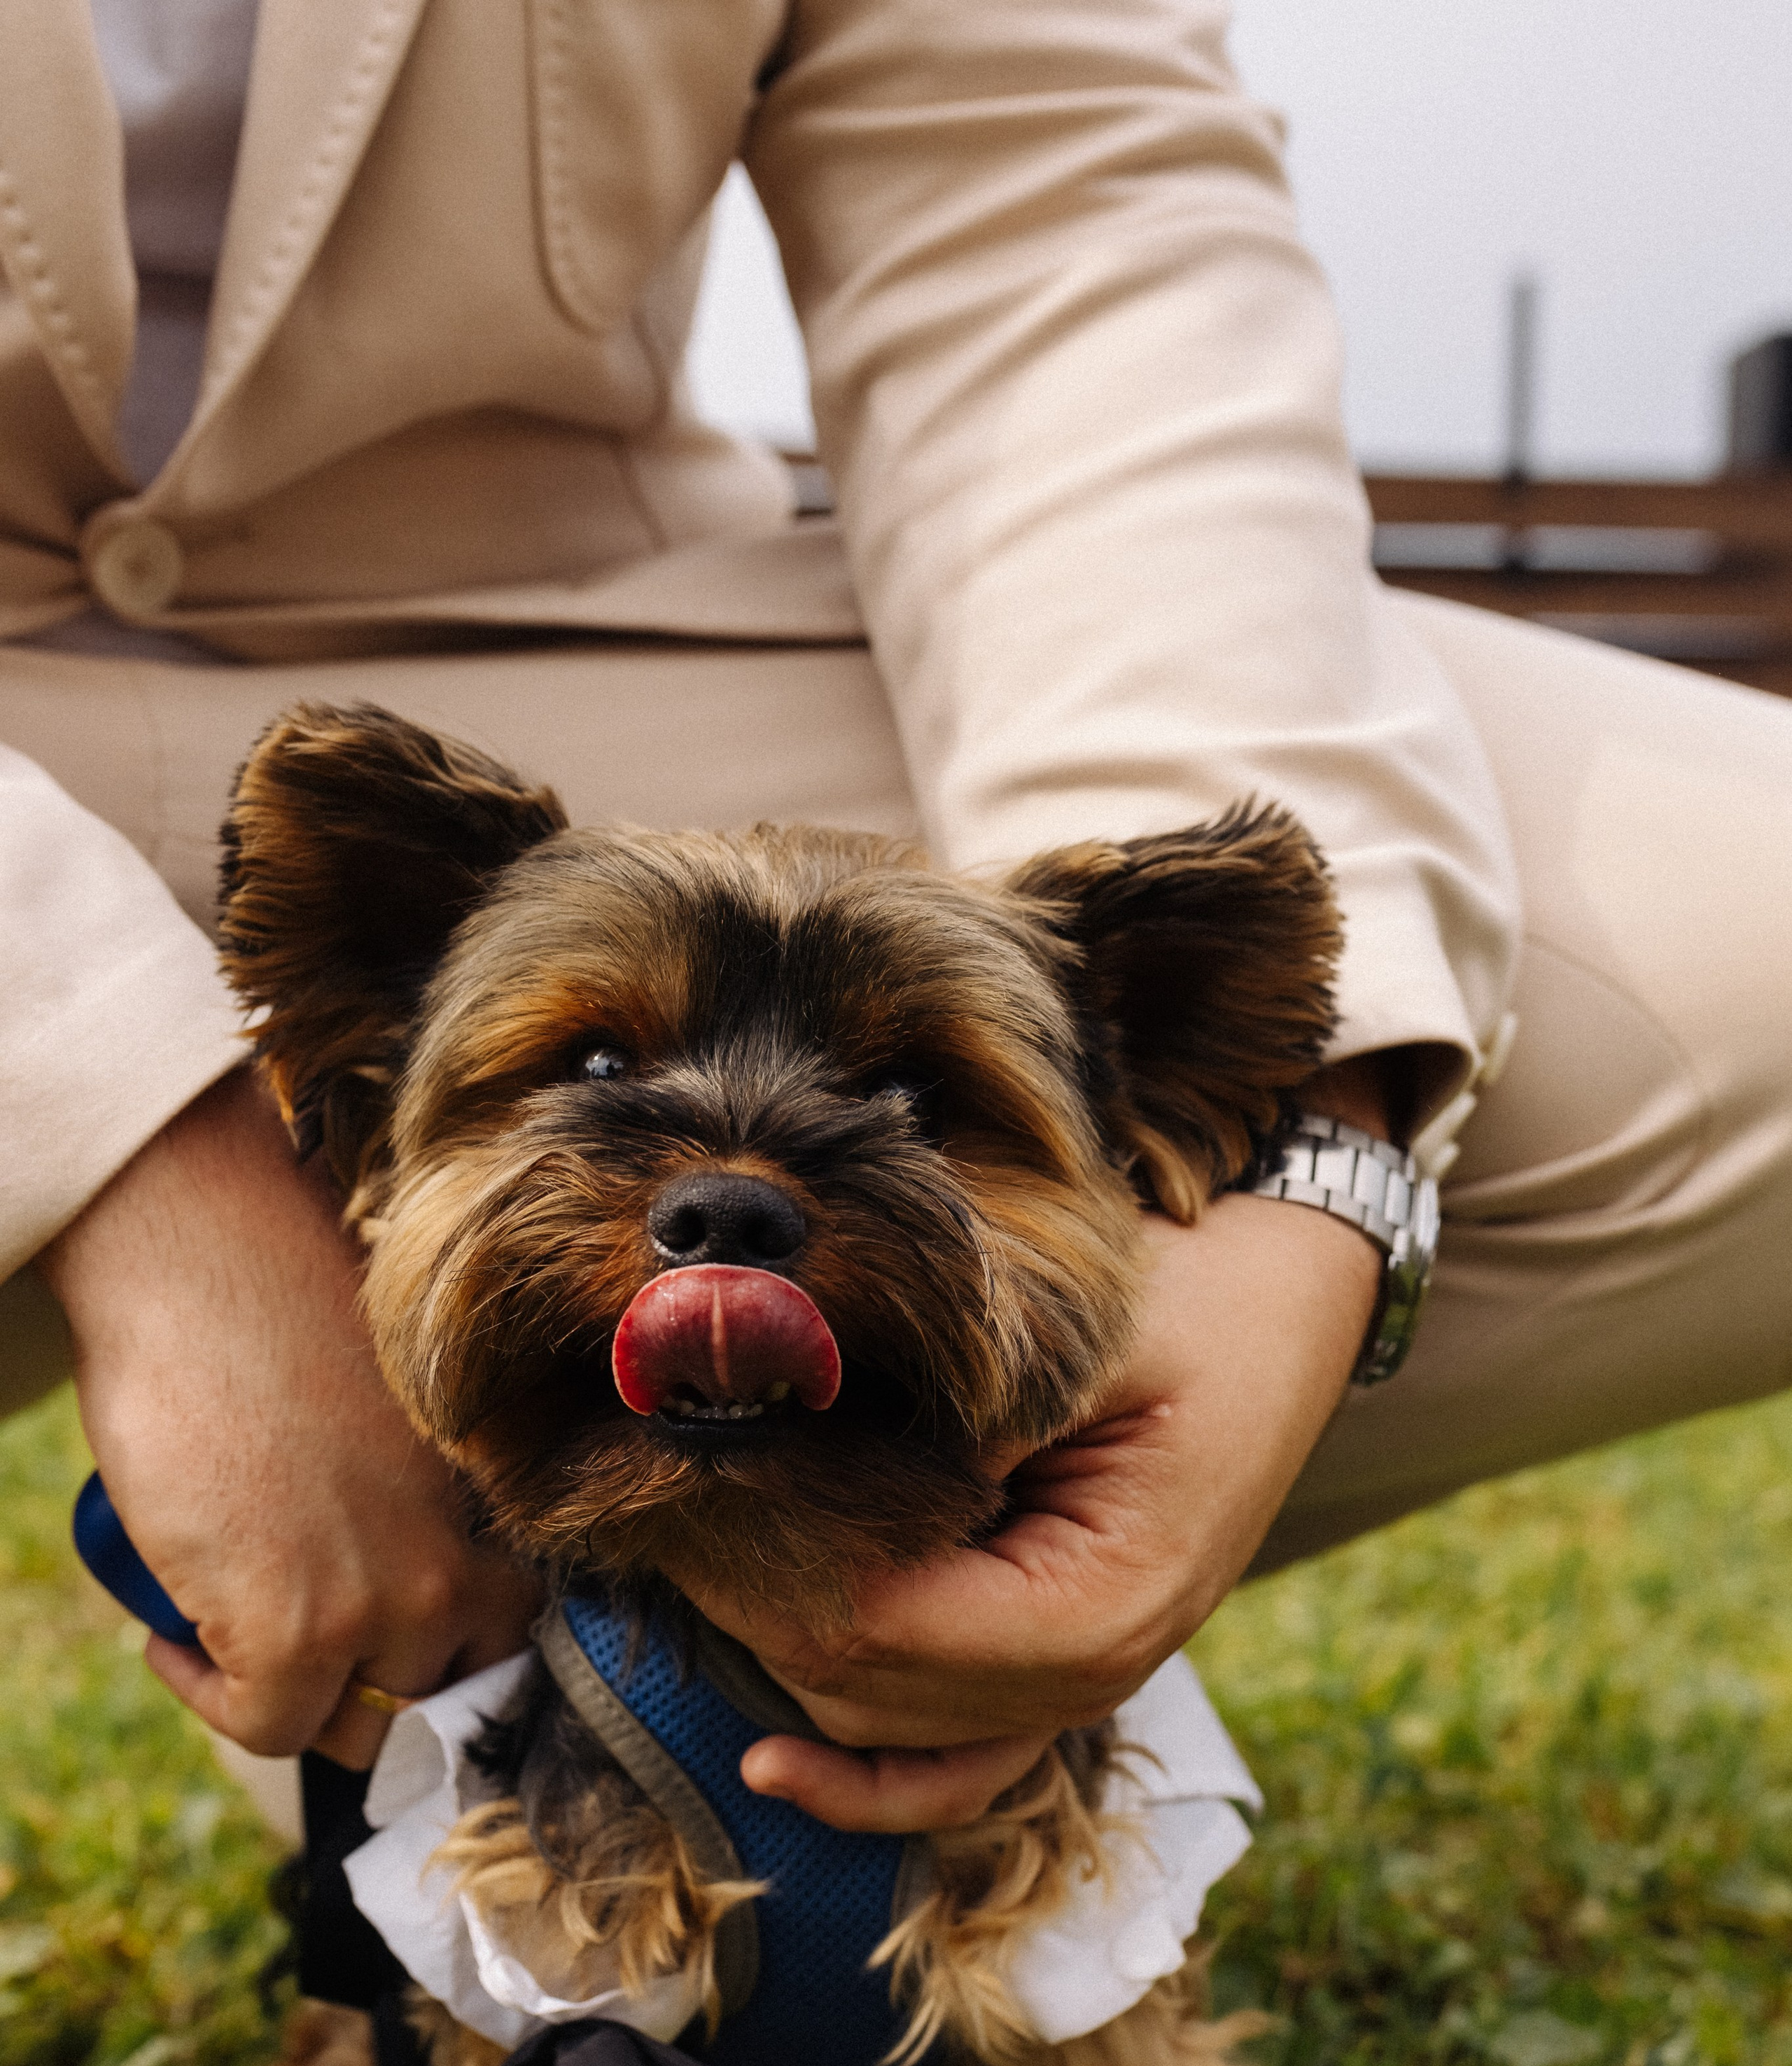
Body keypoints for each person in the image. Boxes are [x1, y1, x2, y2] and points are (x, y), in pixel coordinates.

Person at [7, 0, 1791, 1836]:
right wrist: (124, 1133)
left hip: (562, 627)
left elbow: (1058, 210)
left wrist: (1311, 1174)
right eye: (602, 1063)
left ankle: (742, 1639)